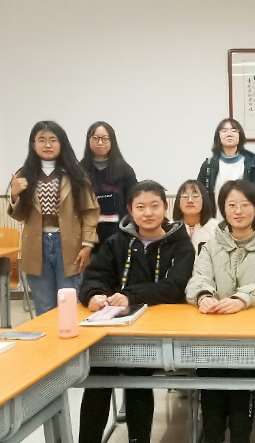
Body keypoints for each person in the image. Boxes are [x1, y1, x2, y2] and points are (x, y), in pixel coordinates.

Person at [78, 180, 195, 443]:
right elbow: (96, 277)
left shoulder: (180, 245)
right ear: (130, 210)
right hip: (115, 330)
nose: (148, 213)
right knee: (98, 376)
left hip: (157, 332)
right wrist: (94, 295)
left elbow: (174, 287)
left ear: (165, 208)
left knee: (138, 379)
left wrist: (130, 296)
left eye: (155, 206)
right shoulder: (115, 243)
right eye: (140, 207)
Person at [185, 179, 255, 443]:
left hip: (250, 338)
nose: (238, 211)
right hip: (212, 335)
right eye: (231, 205)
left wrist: (242, 299)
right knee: (211, 397)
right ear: (223, 209)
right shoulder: (212, 244)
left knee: (241, 400)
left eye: (245, 204)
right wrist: (203, 296)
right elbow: (199, 277)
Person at [8, 121, 99, 315]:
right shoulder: (23, 175)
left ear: (61, 143)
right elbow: (20, 215)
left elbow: (90, 212)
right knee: (44, 307)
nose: (47, 145)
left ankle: (71, 336)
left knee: (69, 305)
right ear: (33, 144)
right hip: (36, 244)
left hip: (69, 244)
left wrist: (87, 245)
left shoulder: (76, 174)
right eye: (41, 140)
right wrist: (14, 195)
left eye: (53, 140)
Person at [80, 121, 138, 250]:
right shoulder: (80, 170)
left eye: (105, 138)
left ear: (112, 141)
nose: (100, 142)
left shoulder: (125, 169)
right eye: (96, 138)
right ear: (89, 140)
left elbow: (134, 202)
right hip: (88, 236)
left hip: (119, 234)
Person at [198, 118, 255, 215]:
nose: (229, 134)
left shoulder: (251, 164)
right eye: (224, 131)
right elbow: (200, 195)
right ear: (218, 136)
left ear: (240, 136)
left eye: (234, 131)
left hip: (243, 219)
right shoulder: (208, 165)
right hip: (214, 221)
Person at [172, 179, 218, 257]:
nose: (190, 200)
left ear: (204, 200)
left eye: (195, 196)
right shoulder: (169, 230)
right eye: (185, 196)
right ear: (178, 201)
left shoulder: (216, 229)